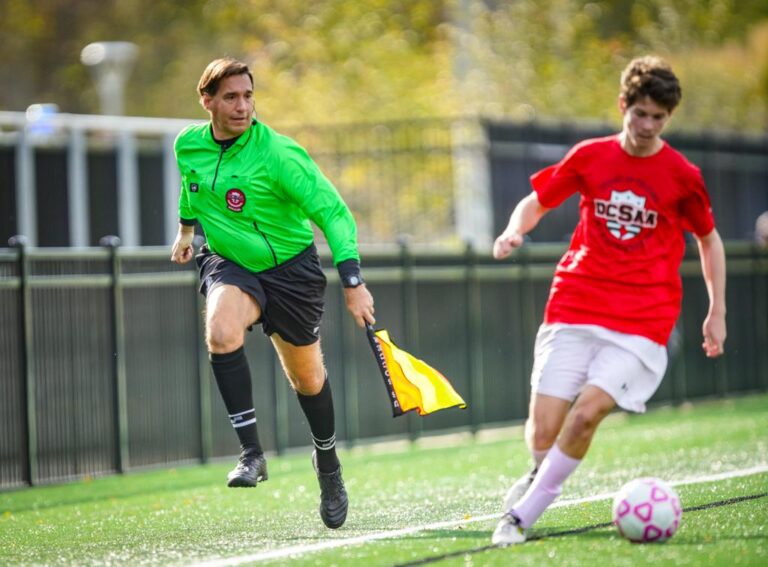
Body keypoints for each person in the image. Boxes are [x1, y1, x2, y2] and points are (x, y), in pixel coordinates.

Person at [490, 55, 727, 545]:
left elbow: (709, 239)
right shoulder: (591, 156)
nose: (647, 126)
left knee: (585, 414)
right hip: (575, 306)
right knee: (542, 432)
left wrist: (716, 311)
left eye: (658, 118)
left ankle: (520, 517)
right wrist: (514, 231)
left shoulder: (682, 175)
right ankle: (539, 474)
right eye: (640, 113)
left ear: (668, 119)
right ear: (624, 105)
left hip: (643, 321)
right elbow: (537, 200)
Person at [170, 57, 375, 530]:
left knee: (307, 380)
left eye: (248, 96)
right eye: (230, 98)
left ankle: (328, 464)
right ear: (208, 102)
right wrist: (185, 231)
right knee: (221, 331)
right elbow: (193, 187)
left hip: (292, 274)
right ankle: (251, 454)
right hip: (231, 263)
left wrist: (352, 280)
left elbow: (335, 214)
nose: (242, 107)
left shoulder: (279, 154)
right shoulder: (188, 145)